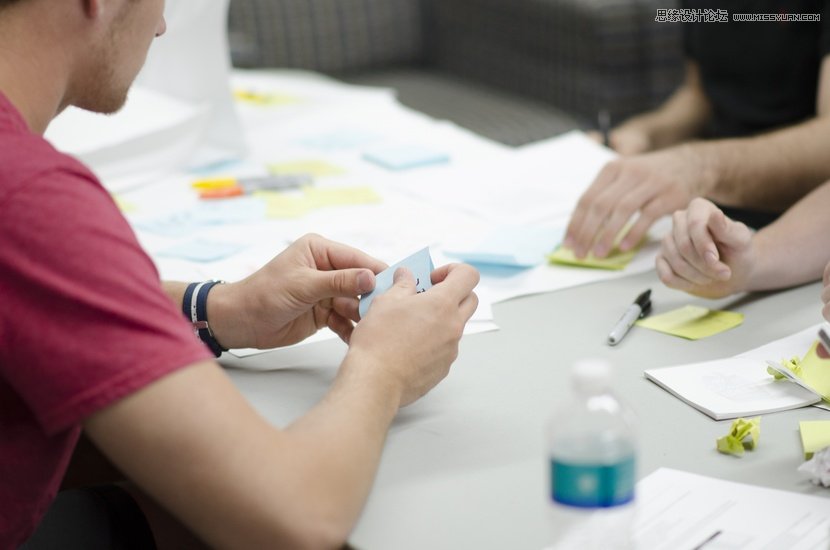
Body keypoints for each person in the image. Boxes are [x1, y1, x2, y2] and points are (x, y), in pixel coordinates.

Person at [0, 0, 479, 548]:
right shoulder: (31, 198)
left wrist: (216, 310)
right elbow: (295, 519)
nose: (160, 25)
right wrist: (385, 367)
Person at [564, 0, 830, 260]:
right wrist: (644, 133)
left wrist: (698, 167)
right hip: (708, 221)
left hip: (802, 234)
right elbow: (699, 97)